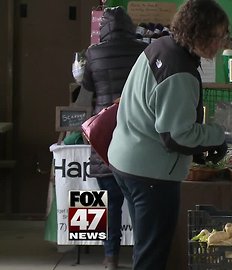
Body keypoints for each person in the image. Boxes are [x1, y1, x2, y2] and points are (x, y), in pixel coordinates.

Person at [107, 0, 230, 269]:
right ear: (200, 32)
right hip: (151, 174)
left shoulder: (160, 46)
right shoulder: (179, 70)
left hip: (126, 161)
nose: (221, 43)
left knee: (145, 246)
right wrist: (217, 136)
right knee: (152, 255)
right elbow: (178, 135)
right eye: (219, 36)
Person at [76, 6, 147, 270]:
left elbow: (87, 93)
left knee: (111, 205)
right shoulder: (142, 51)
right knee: (138, 203)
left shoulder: (93, 53)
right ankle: (142, 258)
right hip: (134, 131)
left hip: (103, 135)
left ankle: (110, 259)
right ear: (129, 26)